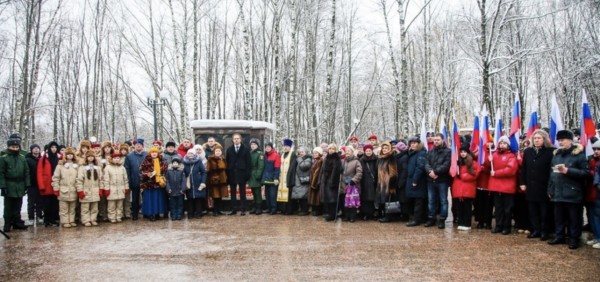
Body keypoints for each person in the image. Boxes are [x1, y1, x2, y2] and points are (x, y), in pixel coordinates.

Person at [547, 130, 589, 249]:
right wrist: (550, 189)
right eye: (559, 140)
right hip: (557, 191)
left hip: (573, 192)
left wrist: (568, 171)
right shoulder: (557, 155)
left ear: (570, 140)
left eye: (563, 140)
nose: (560, 143)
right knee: (559, 217)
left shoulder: (579, 155)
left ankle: (574, 238)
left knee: (573, 218)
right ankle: (559, 236)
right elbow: (551, 173)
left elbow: (585, 173)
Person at [519, 129, 554, 241]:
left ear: (544, 139)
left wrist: (550, 186)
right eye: (535, 138)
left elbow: (551, 170)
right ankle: (536, 230)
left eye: (539, 138)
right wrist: (522, 183)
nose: (536, 140)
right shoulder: (528, 151)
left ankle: (545, 231)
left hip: (544, 186)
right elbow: (524, 168)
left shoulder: (551, 151)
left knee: (544, 211)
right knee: (532, 210)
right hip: (531, 186)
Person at [484, 136, 518, 235]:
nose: (502, 145)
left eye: (504, 143)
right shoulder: (493, 154)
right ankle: (498, 225)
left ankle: (506, 227)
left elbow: (511, 170)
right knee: (498, 208)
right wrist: (487, 160)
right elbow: (487, 169)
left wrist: (497, 173)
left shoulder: (511, 156)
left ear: (508, 145)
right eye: (501, 143)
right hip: (495, 186)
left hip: (507, 187)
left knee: (507, 209)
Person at [0, 134, 30, 232]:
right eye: (13, 147)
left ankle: (17, 222)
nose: (15, 148)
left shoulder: (22, 157)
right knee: (8, 206)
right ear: (9, 147)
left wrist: (27, 184)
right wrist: (3, 186)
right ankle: (7, 223)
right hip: (9, 184)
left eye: (17, 147)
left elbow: (26, 172)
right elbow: (1, 173)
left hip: (20, 185)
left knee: (18, 205)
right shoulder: (4, 157)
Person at [424, 133, 451, 229]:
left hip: (442, 180)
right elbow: (426, 163)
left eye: (438, 140)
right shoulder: (430, 152)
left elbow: (446, 165)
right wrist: (430, 172)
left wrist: (435, 172)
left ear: (442, 140)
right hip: (430, 180)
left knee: (443, 200)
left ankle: (442, 219)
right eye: (435, 140)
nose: (436, 141)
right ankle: (431, 218)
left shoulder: (448, 152)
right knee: (431, 200)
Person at [451, 146, 481, 231]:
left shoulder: (473, 163)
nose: (463, 153)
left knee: (467, 207)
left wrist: (463, 176)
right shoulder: (458, 163)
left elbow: (476, 174)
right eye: (461, 152)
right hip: (459, 188)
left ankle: (467, 223)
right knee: (460, 207)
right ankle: (461, 222)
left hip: (468, 188)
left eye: (464, 152)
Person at [52, 147, 79, 228]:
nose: (70, 156)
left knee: (72, 208)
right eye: (68, 154)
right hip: (63, 190)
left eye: (71, 155)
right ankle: (65, 221)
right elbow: (56, 178)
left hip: (73, 190)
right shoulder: (60, 166)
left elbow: (78, 178)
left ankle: (71, 220)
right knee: (64, 208)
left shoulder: (76, 166)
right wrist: (56, 188)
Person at [139, 146, 168, 221]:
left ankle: (157, 213)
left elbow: (166, 170)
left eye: (155, 152)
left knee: (158, 199)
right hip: (149, 184)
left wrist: (162, 174)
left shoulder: (162, 160)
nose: (154, 153)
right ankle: (150, 214)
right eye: (152, 152)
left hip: (159, 184)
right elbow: (141, 172)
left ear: (158, 153)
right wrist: (147, 174)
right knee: (150, 200)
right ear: (150, 153)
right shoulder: (145, 161)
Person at [226, 133, 251, 215]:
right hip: (232, 173)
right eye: (234, 139)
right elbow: (227, 162)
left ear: (240, 139)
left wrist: (247, 174)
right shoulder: (229, 150)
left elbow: (248, 163)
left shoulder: (246, 149)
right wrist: (228, 174)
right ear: (232, 140)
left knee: (242, 192)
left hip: (242, 174)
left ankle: (243, 209)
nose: (236, 140)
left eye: (238, 138)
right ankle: (234, 209)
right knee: (233, 193)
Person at [75, 151, 103, 227]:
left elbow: (101, 180)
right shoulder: (82, 168)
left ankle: (93, 219)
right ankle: (86, 220)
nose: (90, 158)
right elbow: (79, 180)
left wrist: (101, 189)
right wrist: (80, 190)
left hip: (95, 190)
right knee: (85, 207)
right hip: (86, 190)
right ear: (86, 158)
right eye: (89, 156)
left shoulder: (98, 168)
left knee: (94, 208)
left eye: (92, 156)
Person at [405, 137, 428, 227]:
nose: (413, 145)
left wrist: (415, 180)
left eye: (415, 143)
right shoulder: (412, 153)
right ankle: (417, 218)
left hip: (418, 181)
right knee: (414, 200)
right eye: (411, 143)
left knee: (419, 201)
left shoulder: (421, 153)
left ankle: (417, 220)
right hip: (411, 179)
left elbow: (420, 167)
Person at [37, 142, 60, 226]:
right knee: (46, 204)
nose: (54, 149)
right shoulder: (43, 159)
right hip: (46, 185)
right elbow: (39, 173)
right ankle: (46, 220)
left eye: (55, 147)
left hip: (56, 184)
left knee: (55, 204)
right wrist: (41, 185)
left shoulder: (59, 158)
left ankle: (53, 219)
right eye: (52, 147)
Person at [124, 138, 147, 220]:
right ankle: (135, 214)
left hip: (146, 181)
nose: (138, 146)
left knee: (146, 198)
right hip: (134, 180)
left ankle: (146, 213)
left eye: (140, 145)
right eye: (137, 145)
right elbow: (127, 169)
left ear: (142, 146)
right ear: (134, 146)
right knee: (135, 199)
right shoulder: (129, 156)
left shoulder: (147, 155)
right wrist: (129, 180)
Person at [102, 152, 128, 223]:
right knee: (111, 205)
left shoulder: (122, 168)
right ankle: (112, 217)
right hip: (111, 189)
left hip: (120, 189)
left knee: (120, 205)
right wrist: (106, 189)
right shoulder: (108, 167)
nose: (116, 160)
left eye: (118, 158)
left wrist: (126, 187)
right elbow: (106, 179)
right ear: (112, 159)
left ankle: (119, 216)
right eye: (115, 158)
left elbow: (125, 178)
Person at [319, 144, 342, 222]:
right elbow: (322, 170)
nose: (331, 150)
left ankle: (332, 214)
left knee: (332, 199)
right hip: (325, 180)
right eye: (330, 149)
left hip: (331, 181)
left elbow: (336, 171)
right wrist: (321, 179)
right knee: (327, 198)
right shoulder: (326, 158)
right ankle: (328, 213)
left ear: (335, 150)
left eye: (333, 149)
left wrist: (332, 181)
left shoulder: (337, 158)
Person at [376, 142, 398, 223]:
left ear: (389, 149)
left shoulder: (391, 158)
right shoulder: (381, 158)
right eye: (383, 148)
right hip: (381, 183)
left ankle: (388, 216)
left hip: (388, 183)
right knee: (382, 199)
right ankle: (384, 215)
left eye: (386, 148)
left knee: (388, 200)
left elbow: (393, 173)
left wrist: (392, 186)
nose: (384, 150)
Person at [183, 149, 207, 219]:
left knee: (198, 199)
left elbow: (203, 172)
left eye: (192, 154)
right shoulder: (184, 162)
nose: (190, 155)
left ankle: (198, 213)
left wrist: (203, 182)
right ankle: (190, 213)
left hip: (198, 183)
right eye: (189, 154)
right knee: (190, 199)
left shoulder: (199, 162)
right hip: (189, 183)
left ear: (194, 155)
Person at [341, 146, 362, 222]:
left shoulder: (356, 161)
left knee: (352, 200)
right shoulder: (343, 161)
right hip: (344, 184)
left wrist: (354, 180)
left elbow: (359, 172)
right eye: (346, 151)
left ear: (353, 152)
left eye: (349, 151)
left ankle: (353, 216)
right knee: (345, 200)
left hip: (353, 185)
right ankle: (346, 216)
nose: (347, 152)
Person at [291, 146, 313, 216]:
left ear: (306, 152)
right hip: (299, 180)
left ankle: (305, 210)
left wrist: (299, 159)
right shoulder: (300, 159)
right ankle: (301, 209)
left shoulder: (308, 159)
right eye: (300, 152)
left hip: (303, 180)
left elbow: (304, 166)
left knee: (304, 196)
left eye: (302, 152)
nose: (301, 153)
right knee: (300, 196)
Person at [207, 145, 227, 216]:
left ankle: (219, 210)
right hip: (214, 180)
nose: (218, 152)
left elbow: (225, 168)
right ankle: (215, 210)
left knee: (220, 195)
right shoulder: (211, 159)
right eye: (216, 151)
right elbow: (209, 170)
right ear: (214, 152)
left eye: (219, 151)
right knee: (215, 196)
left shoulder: (223, 159)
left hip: (222, 180)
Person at [25, 144, 42, 225]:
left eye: (37, 148)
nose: (36, 150)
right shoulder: (28, 159)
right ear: (31, 150)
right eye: (34, 149)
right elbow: (26, 172)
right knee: (31, 202)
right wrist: (27, 183)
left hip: (40, 184)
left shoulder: (41, 159)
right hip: (31, 184)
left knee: (39, 201)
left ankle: (39, 216)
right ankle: (31, 217)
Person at [360, 144, 378, 221]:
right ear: (364, 151)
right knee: (365, 198)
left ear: (372, 151)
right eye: (367, 151)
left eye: (369, 151)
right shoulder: (361, 160)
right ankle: (365, 214)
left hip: (374, 181)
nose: (368, 152)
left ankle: (372, 213)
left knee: (373, 198)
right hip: (364, 181)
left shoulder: (376, 159)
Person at [262, 142, 281, 215]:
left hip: (273, 179)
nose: (267, 148)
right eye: (266, 147)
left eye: (269, 147)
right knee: (267, 195)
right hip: (266, 178)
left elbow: (277, 168)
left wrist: (276, 178)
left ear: (271, 148)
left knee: (272, 195)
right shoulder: (264, 156)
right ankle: (269, 208)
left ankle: (274, 209)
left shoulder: (275, 156)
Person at [166, 156, 187, 220]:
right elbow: (167, 181)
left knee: (180, 204)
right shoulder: (169, 171)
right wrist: (168, 188)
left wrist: (183, 189)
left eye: (176, 163)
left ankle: (179, 215)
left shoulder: (181, 171)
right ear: (172, 164)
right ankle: (173, 215)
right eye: (174, 163)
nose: (175, 164)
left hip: (179, 191)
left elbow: (184, 181)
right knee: (173, 204)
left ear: (178, 164)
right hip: (172, 191)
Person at [279, 138, 296, 214]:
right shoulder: (282, 154)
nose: (285, 147)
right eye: (284, 146)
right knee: (283, 193)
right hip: (282, 177)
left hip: (289, 177)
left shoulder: (292, 154)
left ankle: (289, 210)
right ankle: (283, 209)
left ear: (290, 147)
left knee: (289, 195)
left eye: (287, 146)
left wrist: (290, 176)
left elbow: (293, 166)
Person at [248, 138, 265, 215]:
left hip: (256, 174)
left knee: (257, 192)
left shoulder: (260, 154)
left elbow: (260, 166)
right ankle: (254, 207)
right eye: (251, 144)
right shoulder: (250, 153)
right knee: (253, 192)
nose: (253, 146)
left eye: (254, 144)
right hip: (251, 175)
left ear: (257, 145)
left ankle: (259, 208)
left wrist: (258, 175)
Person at [308, 147, 324, 216]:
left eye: (316, 153)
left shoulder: (320, 161)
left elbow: (317, 172)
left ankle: (317, 210)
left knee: (317, 197)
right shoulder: (314, 160)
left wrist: (314, 183)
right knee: (313, 196)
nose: (314, 154)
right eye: (314, 153)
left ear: (319, 153)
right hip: (312, 181)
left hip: (316, 181)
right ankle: (314, 209)